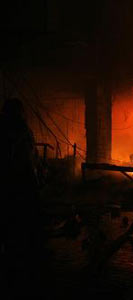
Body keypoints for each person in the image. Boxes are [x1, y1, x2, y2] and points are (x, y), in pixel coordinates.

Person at [0, 98, 43, 297]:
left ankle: (24, 255)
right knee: (17, 223)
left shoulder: (23, 131)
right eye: (19, 111)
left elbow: (30, 155)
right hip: (16, 183)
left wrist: (38, 170)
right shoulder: (10, 132)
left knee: (24, 222)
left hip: (24, 182)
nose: (22, 114)